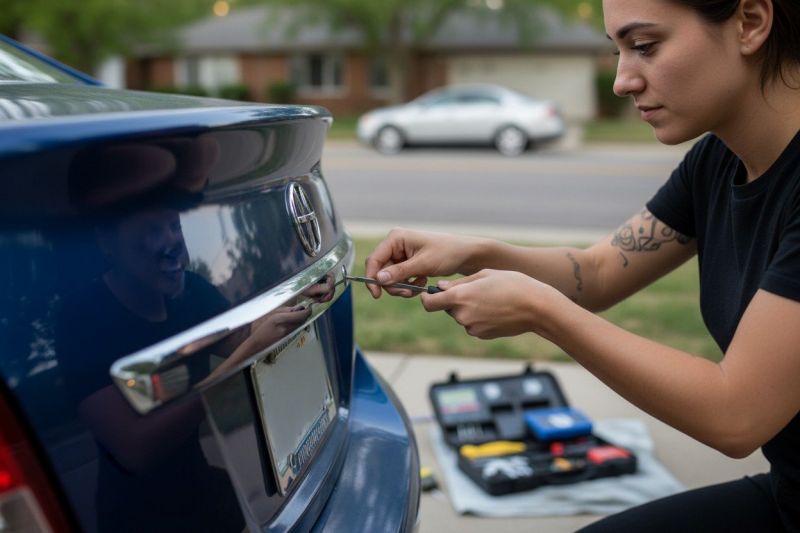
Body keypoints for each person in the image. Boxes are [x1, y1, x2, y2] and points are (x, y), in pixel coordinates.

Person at [363, 0, 800, 530]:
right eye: (617, 51)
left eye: (645, 47)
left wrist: (540, 312)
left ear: (750, 23)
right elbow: (597, 273)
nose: (621, 81)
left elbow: (736, 415)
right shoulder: (717, 160)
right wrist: (474, 251)